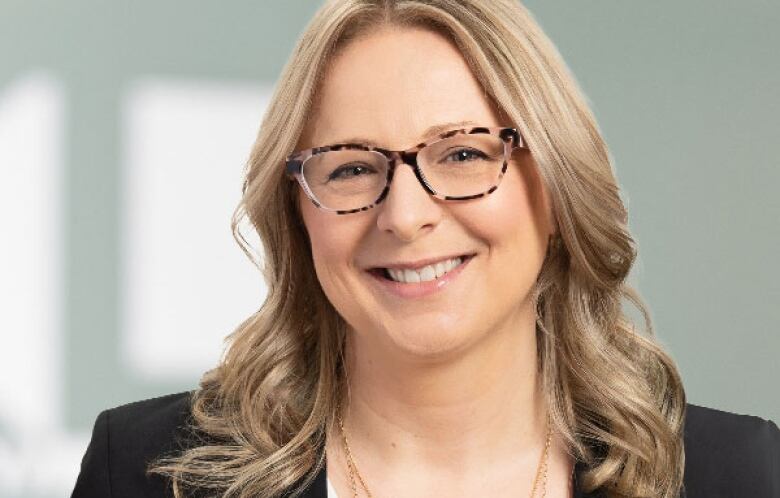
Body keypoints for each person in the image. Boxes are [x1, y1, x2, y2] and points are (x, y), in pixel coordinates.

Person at [71, 1, 780, 497]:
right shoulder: (146, 473)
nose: (405, 217)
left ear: (559, 188)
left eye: (465, 154)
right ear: (298, 214)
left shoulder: (738, 476)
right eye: (350, 168)